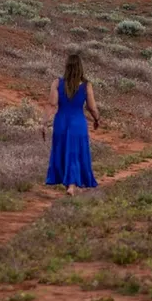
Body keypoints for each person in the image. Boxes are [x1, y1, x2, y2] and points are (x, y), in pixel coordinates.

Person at [44, 51, 99, 195]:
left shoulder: (57, 83)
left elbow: (52, 104)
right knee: (74, 152)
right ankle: (72, 185)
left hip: (61, 121)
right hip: (78, 123)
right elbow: (91, 107)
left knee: (62, 151)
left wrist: (44, 123)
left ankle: (68, 183)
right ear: (80, 67)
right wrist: (97, 119)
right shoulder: (86, 85)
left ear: (66, 67)